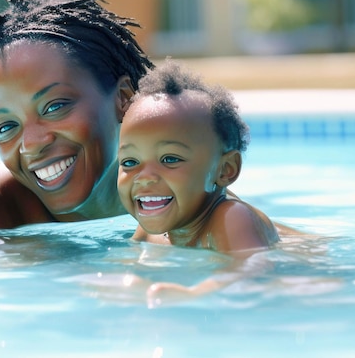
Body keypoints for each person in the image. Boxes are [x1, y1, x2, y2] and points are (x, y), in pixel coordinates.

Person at [0, 0, 154, 231]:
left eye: (54, 107)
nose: (32, 144)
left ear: (124, 98)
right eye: (6, 127)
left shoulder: (184, 190)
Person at [117, 60, 280, 253]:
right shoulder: (151, 230)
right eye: (130, 162)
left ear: (226, 169)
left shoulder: (231, 217)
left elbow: (248, 272)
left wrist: (196, 286)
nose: (144, 177)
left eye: (170, 159)